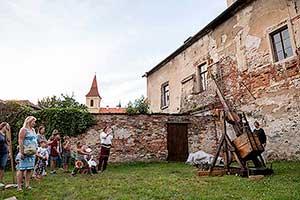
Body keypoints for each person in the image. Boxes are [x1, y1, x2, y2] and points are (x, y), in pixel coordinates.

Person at [17, 116, 38, 191]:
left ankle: (27, 184)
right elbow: (20, 140)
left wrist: (36, 149)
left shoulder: (33, 130)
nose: (34, 123)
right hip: (25, 151)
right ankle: (19, 186)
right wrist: (21, 152)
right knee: (21, 169)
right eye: (33, 121)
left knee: (29, 169)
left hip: (32, 152)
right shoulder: (23, 129)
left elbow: (35, 140)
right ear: (29, 121)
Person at [0, 122, 12, 187]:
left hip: (5, 153)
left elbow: (8, 144)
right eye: (7, 127)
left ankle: (0, 181)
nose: (8, 128)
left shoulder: (5, 135)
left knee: (2, 166)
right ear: (3, 126)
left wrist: (9, 152)